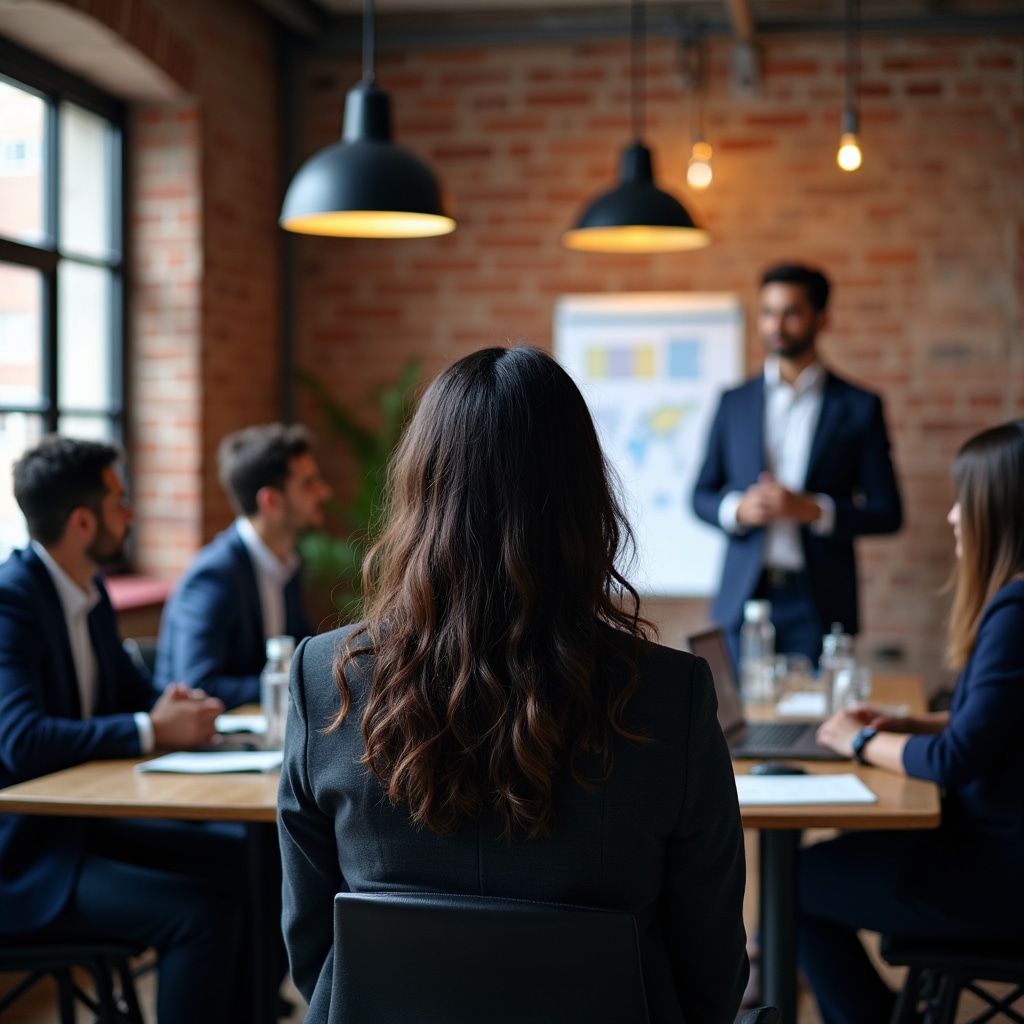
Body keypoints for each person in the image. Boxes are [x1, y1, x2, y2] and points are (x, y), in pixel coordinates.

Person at [278, 346, 749, 1023]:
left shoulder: (326, 679)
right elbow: (713, 974)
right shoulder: (671, 696)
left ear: (419, 494)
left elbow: (312, 947)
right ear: (586, 500)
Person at [0, 435, 244, 1024]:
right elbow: (21, 741)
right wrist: (148, 729)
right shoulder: (13, 602)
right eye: (119, 501)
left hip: (85, 829)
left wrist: (174, 704)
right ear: (83, 522)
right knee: (200, 914)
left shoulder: (91, 589)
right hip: (26, 859)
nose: (130, 513)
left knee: (245, 862)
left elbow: (128, 693)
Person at [798, 420, 1024, 1024]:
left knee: (794, 879)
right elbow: (990, 723)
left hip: (997, 876)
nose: (953, 518)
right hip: (995, 853)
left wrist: (863, 739)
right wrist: (908, 724)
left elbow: (959, 759)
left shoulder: (1015, 611)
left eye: (963, 501)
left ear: (999, 510)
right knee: (828, 861)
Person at [692, 263, 903, 667]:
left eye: (791, 312)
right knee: (730, 725)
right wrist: (736, 508)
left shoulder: (859, 407)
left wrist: (816, 510)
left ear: (822, 318)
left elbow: (889, 512)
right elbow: (700, 494)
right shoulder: (733, 402)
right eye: (768, 312)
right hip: (742, 602)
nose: (776, 325)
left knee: (817, 726)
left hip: (820, 605)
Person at [154, 422, 332, 707]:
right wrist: (291, 686)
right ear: (271, 501)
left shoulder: (289, 565)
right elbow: (197, 683)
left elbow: (303, 658)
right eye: (308, 483)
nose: (324, 493)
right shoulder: (213, 576)